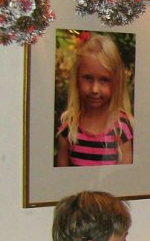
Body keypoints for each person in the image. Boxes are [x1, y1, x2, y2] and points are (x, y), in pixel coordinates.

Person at [56, 32, 134, 166]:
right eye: (88, 78)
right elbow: (60, 175)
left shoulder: (121, 128)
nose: (94, 89)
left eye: (104, 80)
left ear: (116, 82)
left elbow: (125, 176)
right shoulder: (69, 128)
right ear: (77, 78)